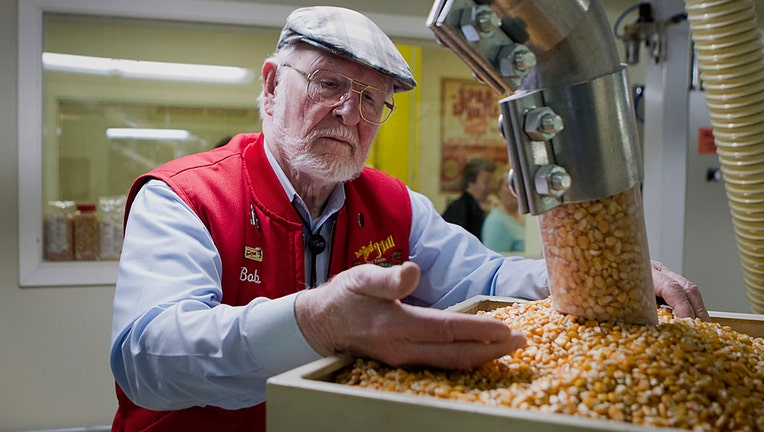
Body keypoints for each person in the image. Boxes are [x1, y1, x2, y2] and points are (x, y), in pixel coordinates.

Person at [109, 6, 710, 432]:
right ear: (271, 86)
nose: (350, 112)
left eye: (373, 99)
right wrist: (318, 323)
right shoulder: (184, 196)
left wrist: (605, 272)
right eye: (329, 84)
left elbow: (489, 279)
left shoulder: (393, 204)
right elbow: (146, 358)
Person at [442, 157, 496, 238]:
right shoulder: (460, 211)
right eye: (486, 182)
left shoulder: (473, 209)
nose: (490, 187)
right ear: (471, 182)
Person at [482, 169, 525, 253]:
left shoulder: (521, 217)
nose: (515, 190)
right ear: (499, 190)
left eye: (519, 185)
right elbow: (495, 260)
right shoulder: (496, 222)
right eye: (509, 185)